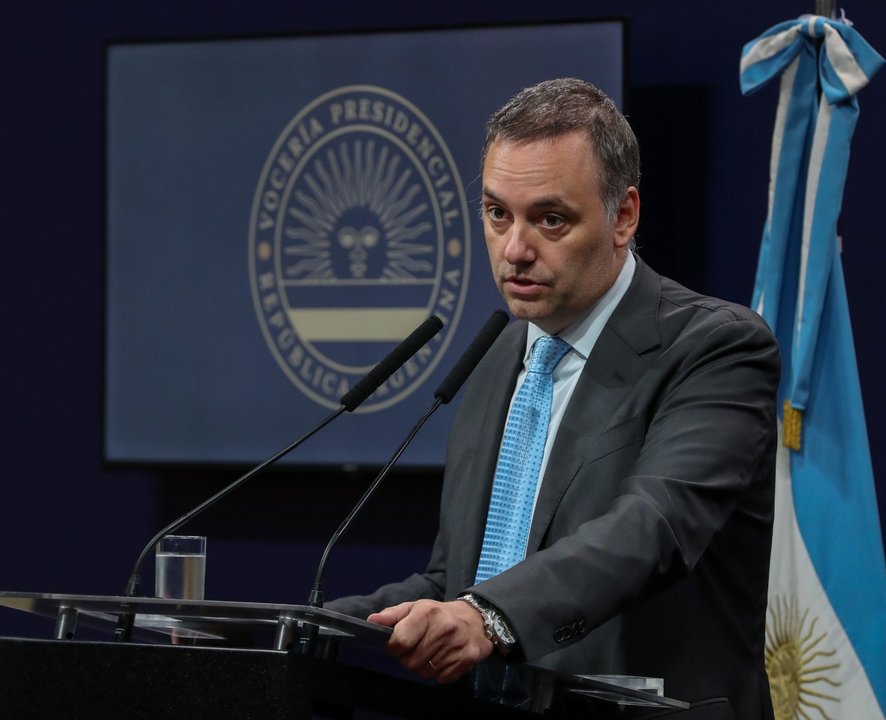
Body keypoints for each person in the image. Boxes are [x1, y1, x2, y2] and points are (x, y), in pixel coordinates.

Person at [327, 78, 779, 720]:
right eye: (497, 214)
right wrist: (316, 627)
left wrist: (486, 617)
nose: (515, 250)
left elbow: (648, 530)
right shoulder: (497, 360)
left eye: (551, 219)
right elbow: (460, 579)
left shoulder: (716, 349)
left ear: (623, 216)